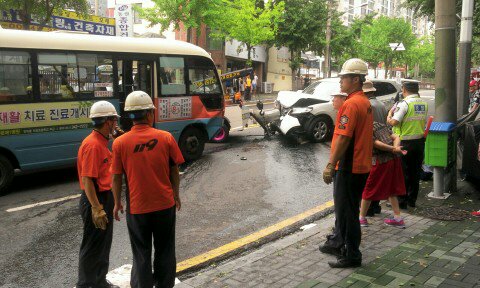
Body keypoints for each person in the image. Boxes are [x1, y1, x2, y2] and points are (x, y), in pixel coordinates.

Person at [111, 91, 184, 288]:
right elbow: (174, 170)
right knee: (165, 249)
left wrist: (117, 202)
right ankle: (164, 285)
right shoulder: (166, 138)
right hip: (164, 204)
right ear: (150, 114)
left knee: (141, 252)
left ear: (130, 116)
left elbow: (116, 176)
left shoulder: (120, 143)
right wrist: (176, 195)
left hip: (138, 208)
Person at [320, 58, 373, 268]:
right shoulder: (363, 101)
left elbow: (343, 137)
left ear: (356, 79)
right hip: (359, 165)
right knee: (346, 209)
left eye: (344, 77)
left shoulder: (351, 104)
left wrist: (330, 165)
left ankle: (351, 254)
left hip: (350, 166)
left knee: (347, 212)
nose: (341, 81)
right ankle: (339, 242)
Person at [76, 101, 121, 288]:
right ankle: (86, 284)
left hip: (104, 197)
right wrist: (97, 208)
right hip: (95, 199)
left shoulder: (102, 142)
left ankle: (100, 281)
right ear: (107, 121)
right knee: (92, 245)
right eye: (114, 120)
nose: (116, 124)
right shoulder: (93, 145)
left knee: (103, 244)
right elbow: (87, 180)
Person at [387, 80, 428, 209]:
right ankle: (412, 200)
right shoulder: (423, 103)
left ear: (404, 89)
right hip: (419, 142)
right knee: (415, 172)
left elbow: (394, 122)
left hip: (405, 143)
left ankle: (401, 202)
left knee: (403, 173)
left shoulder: (404, 104)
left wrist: (388, 116)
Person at [359, 122, 407, 228]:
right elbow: (396, 137)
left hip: (380, 161)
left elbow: (375, 143)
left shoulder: (366, 127)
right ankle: (397, 218)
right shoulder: (379, 124)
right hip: (393, 160)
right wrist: (395, 148)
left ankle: (361, 218)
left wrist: (393, 149)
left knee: (369, 188)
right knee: (392, 188)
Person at [363, 80, 388, 216]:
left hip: (371, 143)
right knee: (378, 177)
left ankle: (368, 209)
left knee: (369, 178)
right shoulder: (382, 105)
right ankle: (376, 206)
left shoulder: (367, 104)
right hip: (383, 142)